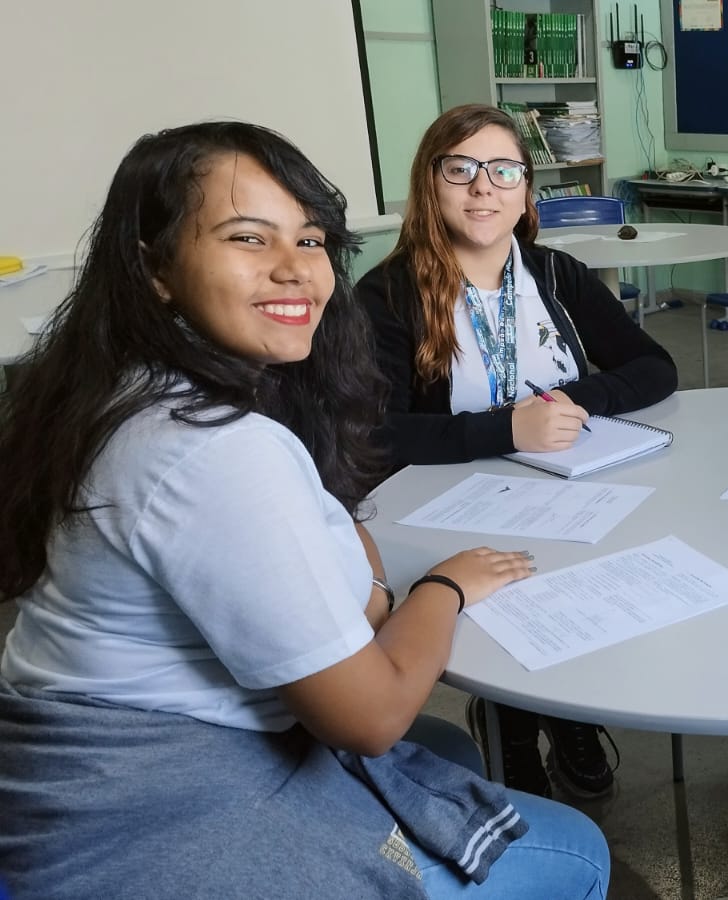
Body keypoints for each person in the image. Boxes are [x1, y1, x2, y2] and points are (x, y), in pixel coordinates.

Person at [0, 122, 608, 899]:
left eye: (311, 240)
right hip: (143, 804)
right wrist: (441, 590)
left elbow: (345, 543)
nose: (295, 271)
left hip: (71, 772)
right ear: (155, 268)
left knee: (449, 751)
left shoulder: (139, 389)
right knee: (576, 852)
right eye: (248, 237)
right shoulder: (212, 448)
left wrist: (373, 590)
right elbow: (372, 715)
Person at [358, 104, 678, 800]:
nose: (484, 188)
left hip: (567, 484)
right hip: (444, 500)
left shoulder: (556, 274)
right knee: (500, 601)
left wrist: (576, 403)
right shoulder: (386, 294)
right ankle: (508, 723)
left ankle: (565, 716)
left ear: (527, 189)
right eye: (461, 169)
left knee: (582, 595)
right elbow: (372, 432)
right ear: (430, 184)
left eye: (504, 170)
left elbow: (655, 367)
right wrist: (506, 430)